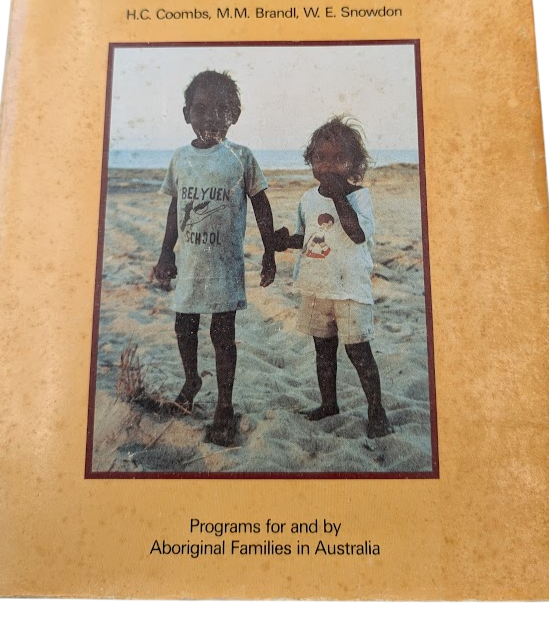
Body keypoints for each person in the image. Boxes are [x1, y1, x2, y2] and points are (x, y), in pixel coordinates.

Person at [153, 70, 276, 446]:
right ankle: (191, 380)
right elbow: (176, 208)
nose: (211, 117)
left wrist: (269, 251)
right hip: (191, 265)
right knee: (184, 327)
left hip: (224, 267)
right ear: (186, 113)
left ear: (234, 114)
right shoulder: (180, 159)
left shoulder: (241, 157)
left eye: (222, 109)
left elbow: (261, 204)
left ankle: (224, 404)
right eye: (201, 108)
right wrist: (166, 253)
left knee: (223, 335)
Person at [274, 116, 392, 438]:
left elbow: (356, 234)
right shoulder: (307, 199)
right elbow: (309, 237)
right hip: (317, 287)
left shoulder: (359, 197)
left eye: (339, 158)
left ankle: (376, 411)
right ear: (310, 162)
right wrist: (285, 241)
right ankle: (329, 404)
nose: (328, 165)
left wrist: (339, 197)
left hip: (350, 289)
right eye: (320, 158)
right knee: (323, 350)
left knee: (358, 352)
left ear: (355, 164)